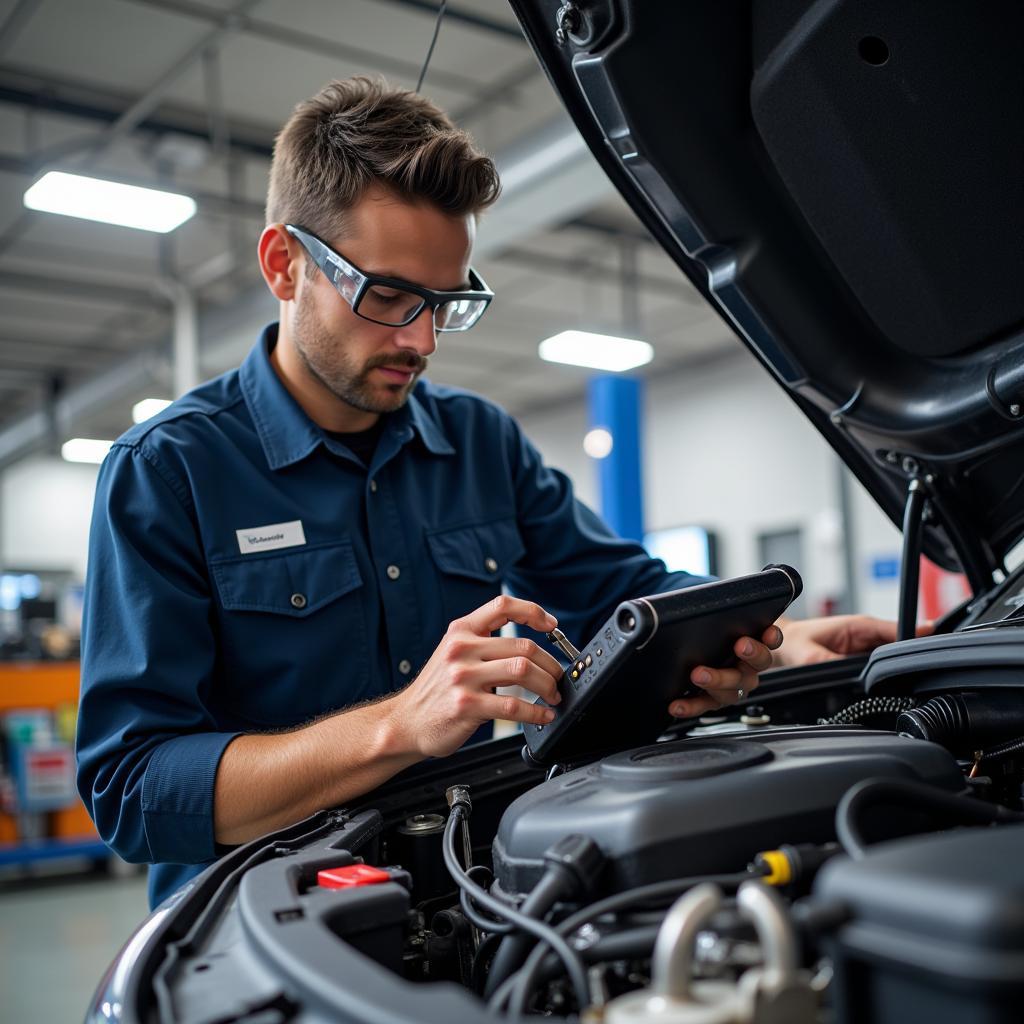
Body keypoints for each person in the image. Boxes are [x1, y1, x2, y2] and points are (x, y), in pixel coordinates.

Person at [76, 78, 908, 909]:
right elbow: (132, 786)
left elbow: (623, 596)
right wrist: (397, 726)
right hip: (261, 927)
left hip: (469, 896)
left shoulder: (481, 443)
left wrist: (773, 640)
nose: (422, 339)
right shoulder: (170, 469)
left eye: (446, 302)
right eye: (389, 295)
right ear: (284, 265)